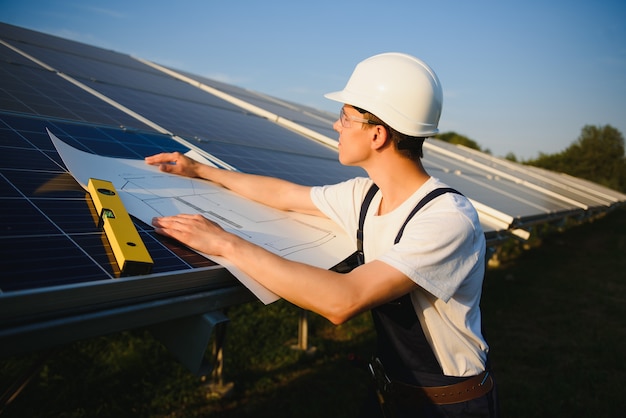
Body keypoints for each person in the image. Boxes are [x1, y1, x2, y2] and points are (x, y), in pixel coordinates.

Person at [146, 52, 498, 417]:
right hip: (395, 390)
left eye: (345, 117)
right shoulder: (366, 196)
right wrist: (201, 170)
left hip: (450, 406)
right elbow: (284, 195)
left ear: (377, 134)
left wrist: (225, 243)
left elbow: (342, 300)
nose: (336, 126)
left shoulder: (446, 220)